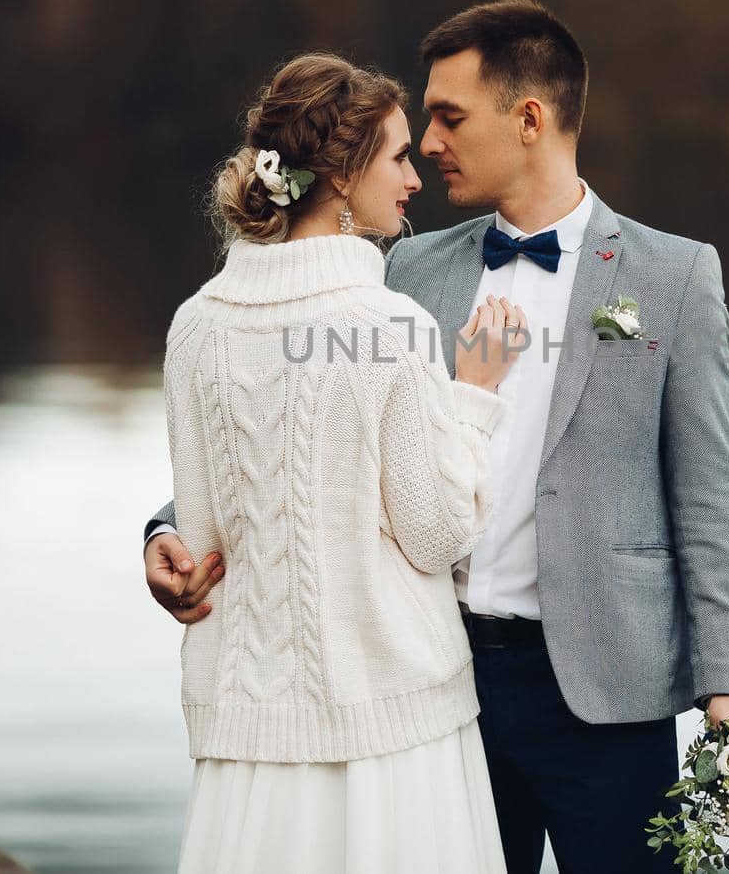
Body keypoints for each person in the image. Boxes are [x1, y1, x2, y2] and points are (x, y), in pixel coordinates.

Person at [147, 0, 729, 874]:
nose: (429, 144)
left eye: (449, 117)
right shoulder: (404, 268)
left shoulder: (674, 275)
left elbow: (709, 497)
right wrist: (168, 526)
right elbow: (301, 428)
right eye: (423, 122)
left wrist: (728, 686)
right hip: (443, 684)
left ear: (531, 119)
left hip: (611, 692)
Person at [159, 51, 524, 873]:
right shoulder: (385, 327)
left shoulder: (196, 325)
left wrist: (161, 545)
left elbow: (205, 536)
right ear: (344, 172)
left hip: (248, 738)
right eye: (398, 157)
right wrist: (475, 394)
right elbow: (438, 533)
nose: (414, 177)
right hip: (390, 731)